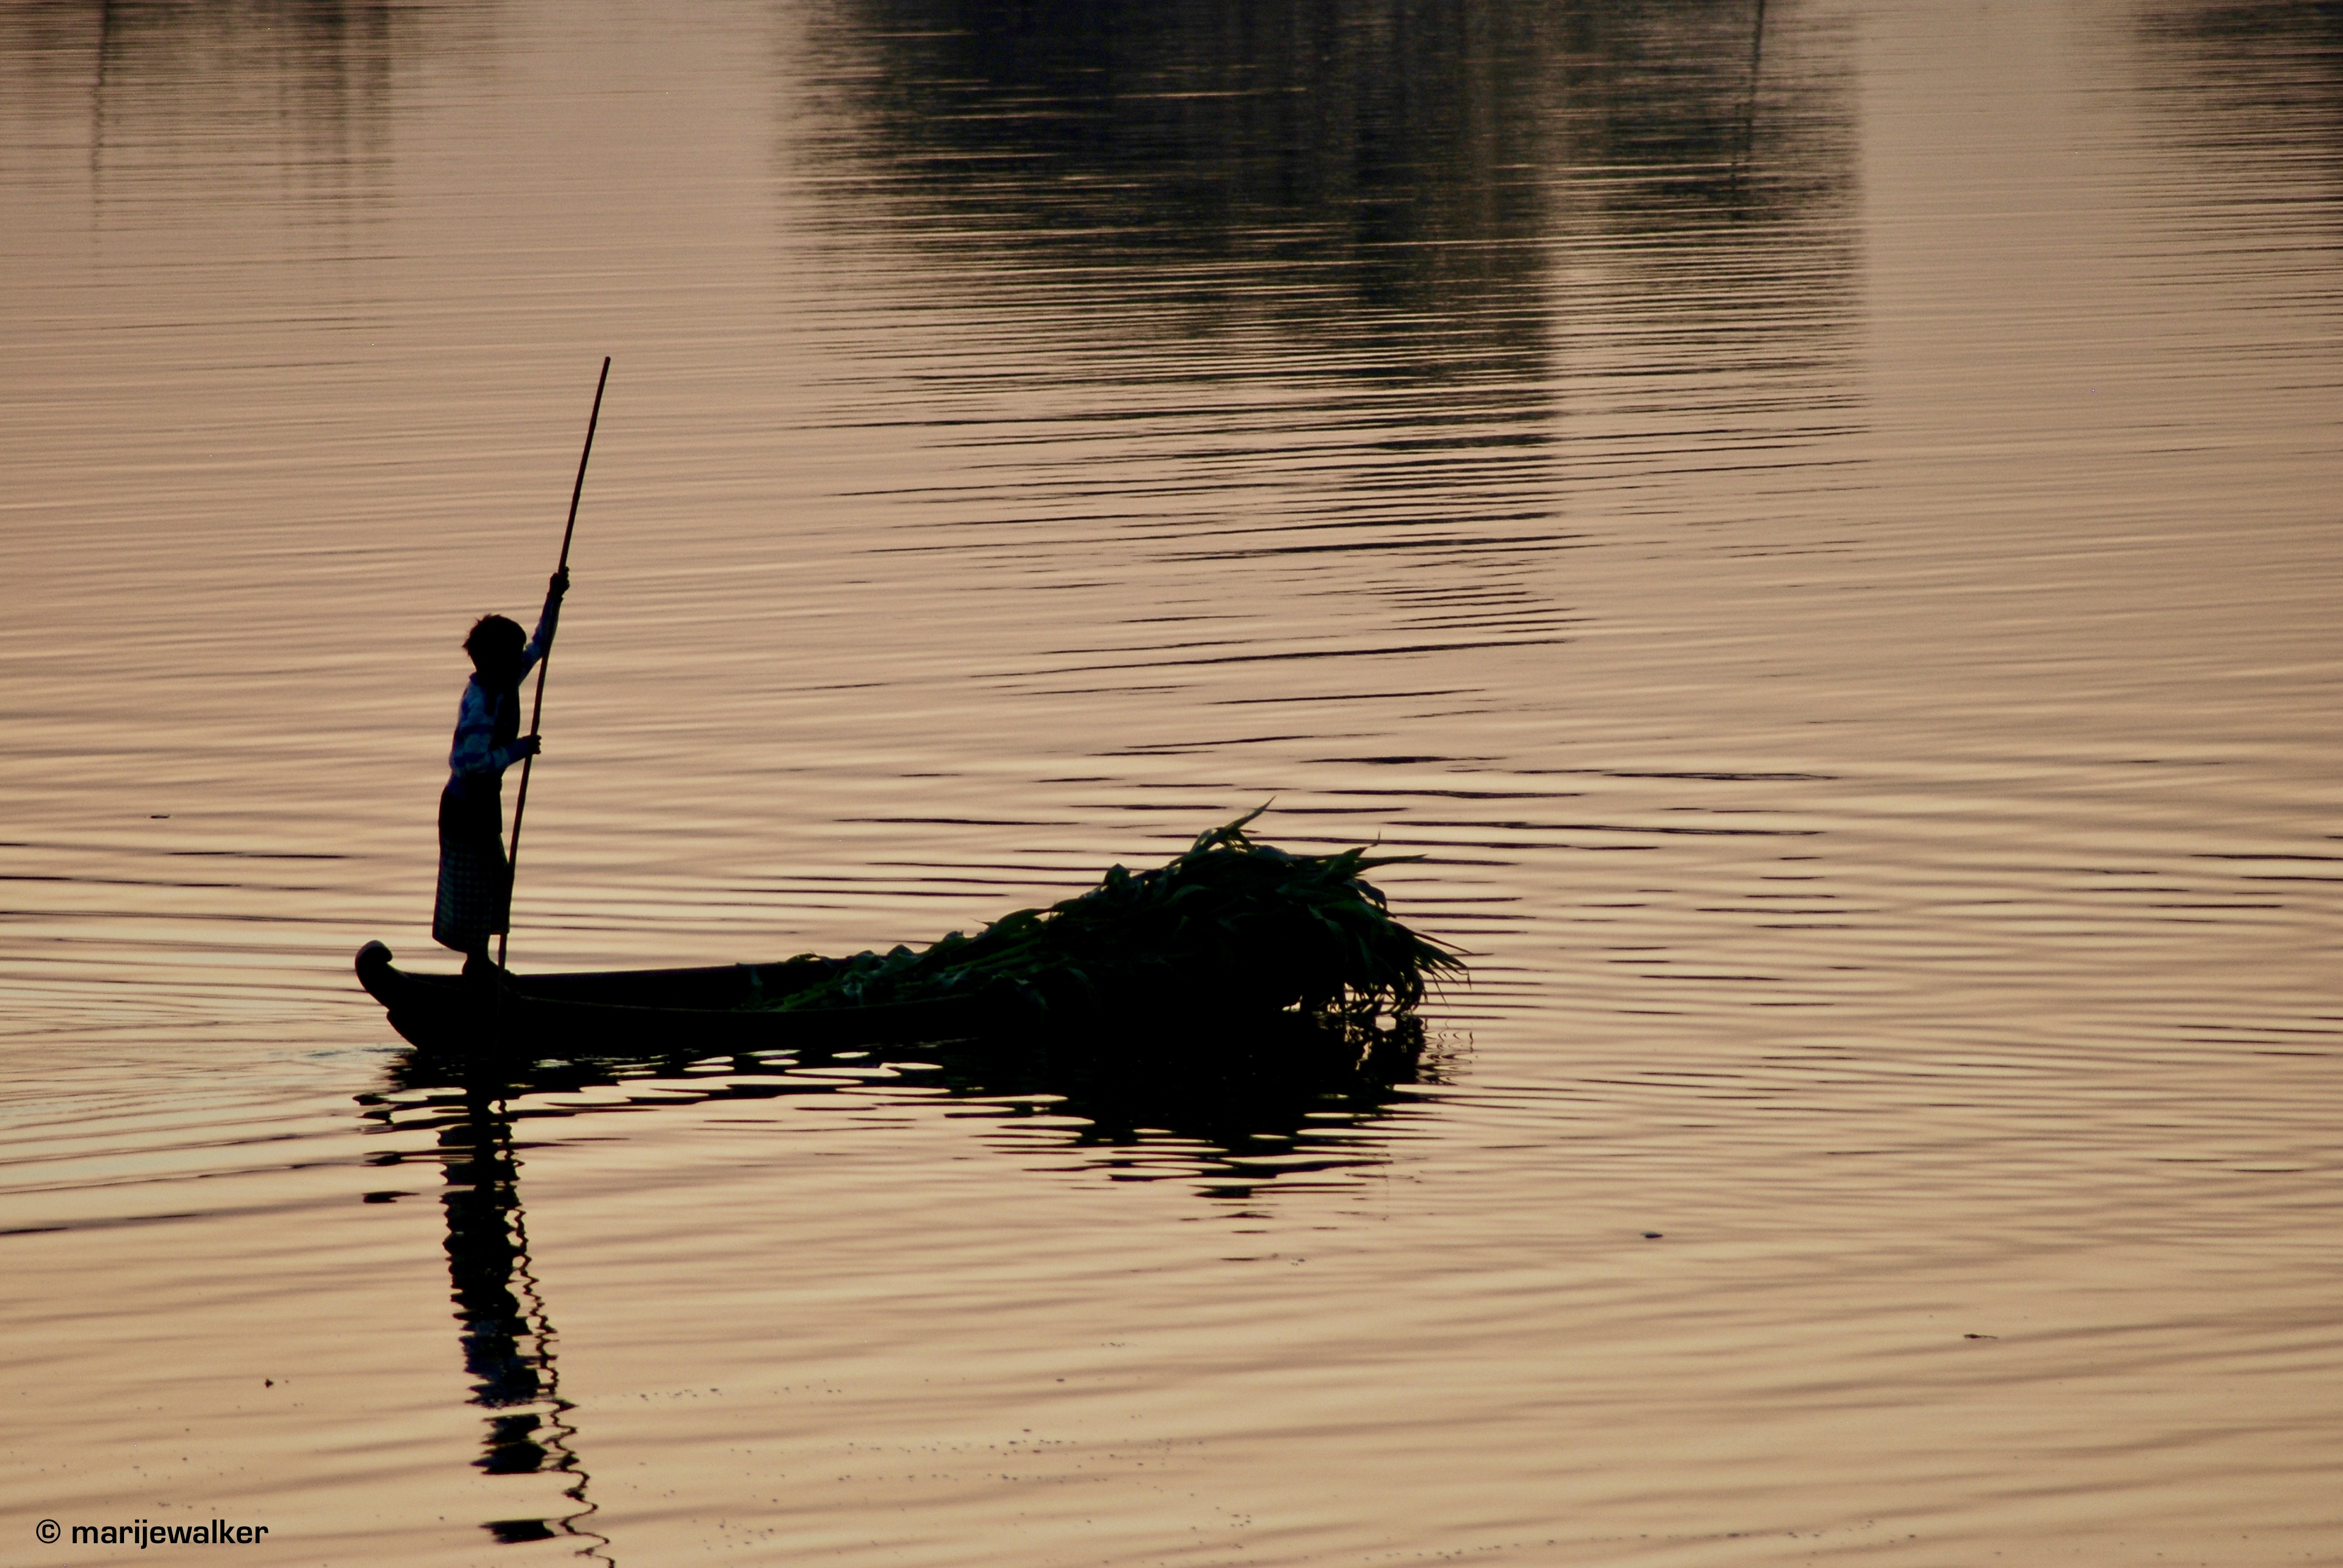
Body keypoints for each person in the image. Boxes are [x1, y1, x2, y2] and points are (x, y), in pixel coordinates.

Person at [434, 569, 567, 979]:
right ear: (493, 661)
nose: (519, 662)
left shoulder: (506, 681)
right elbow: (471, 763)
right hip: (464, 809)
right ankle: (477, 966)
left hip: (485, 804)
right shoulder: (483, 703)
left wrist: (555, 598)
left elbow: (540, 645)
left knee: (496, 880)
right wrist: (517, 750)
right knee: (475, 887)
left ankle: (481, 964)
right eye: (512, 656)